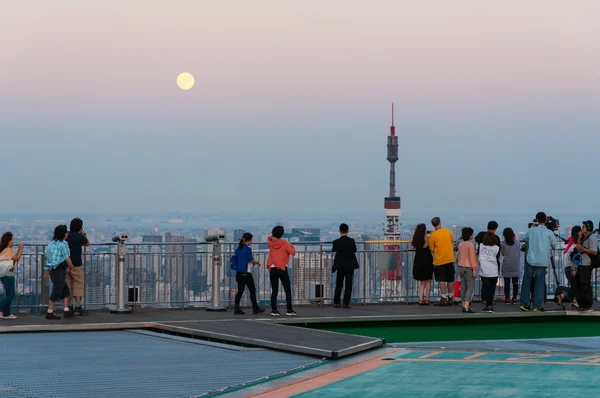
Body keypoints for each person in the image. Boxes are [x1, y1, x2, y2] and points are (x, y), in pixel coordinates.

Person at [519, 212, 557, 312]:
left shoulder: (531, 230)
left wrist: (532, 227)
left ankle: (524, 304)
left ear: (536, 219)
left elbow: (522, 238)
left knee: (526, 282)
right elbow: (554, 245)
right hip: (543, 261)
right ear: (545, 220)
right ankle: (537, 306)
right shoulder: (549, 232)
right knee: (539, 284)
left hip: (531, 260)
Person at [44, 225, 75, 320]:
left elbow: (47, 258)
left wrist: (47, 270)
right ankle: (49, 312)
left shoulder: (51, 244)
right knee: (57, 289)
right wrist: (72, 267)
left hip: (53, 270)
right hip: (59, 269)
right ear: (65, 234)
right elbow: (67, 258)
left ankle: (66, 310)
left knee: (65, 290)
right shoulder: (63, 244)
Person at [267, 226, 297, 316]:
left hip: (273, 268)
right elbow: (293, 252)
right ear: (282, 234)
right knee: (287, 290)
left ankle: (274, 310)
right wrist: (291, 245)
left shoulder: (270, 243)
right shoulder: (285, 244)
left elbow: (268, 238)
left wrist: (272, 236)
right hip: (283, 269)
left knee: (274, 291)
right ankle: (289, 309)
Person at [232, 232, 264, 315]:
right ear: (248, 240)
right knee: (252, 290)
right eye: (251, 240)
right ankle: (255, 308)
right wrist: (256, 262)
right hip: (246, 273)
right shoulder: (248, 249)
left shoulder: (237, 249)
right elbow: (250, 259)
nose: (252, 242)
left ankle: (236, 308)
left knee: (240, 291)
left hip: (239, 273)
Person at [428, 217, 456, 306]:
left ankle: (443, 298)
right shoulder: (448, 232)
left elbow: (431, 248)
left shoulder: (433, 235)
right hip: (450, 258)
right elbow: (452, 243)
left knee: (441, 280)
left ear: (433, 224)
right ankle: (451, 297)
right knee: (450, 279)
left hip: (439, 260)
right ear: (440, 223)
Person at [66, 218, 90, 316]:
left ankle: (67, 307)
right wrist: (83, 232)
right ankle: (77, 307)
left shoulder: (66, 235)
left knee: (67, 286)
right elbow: (87, 243)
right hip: (76, 264)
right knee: (78, 285)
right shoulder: (79, 236)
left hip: (65, 264)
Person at [332, 223, 359, 308]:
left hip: (340, 266)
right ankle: (346, 303)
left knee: (339, 284)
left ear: (339, 231)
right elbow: (354, 250)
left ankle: (336, 302)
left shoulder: (336, 242)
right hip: (349, 265)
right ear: (348, 231)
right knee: (348, 285)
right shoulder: (351, 241)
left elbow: (334, 249)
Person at [573, 220, 598, 312]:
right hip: (581, 263)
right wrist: (579, 237)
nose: (582, 228)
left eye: (583, 227)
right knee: (579, 284)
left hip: (587, 263)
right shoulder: (585, 237)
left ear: (588, 228)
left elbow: (594, 251)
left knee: (585, 284)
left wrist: (582, 249)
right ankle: (581, 303)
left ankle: (587, 304)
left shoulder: (592, 238)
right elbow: (578, 246)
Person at [475, 221, 501, 305]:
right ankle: (490, 299)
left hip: (483, 262)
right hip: (493, 263)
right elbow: (499, 251)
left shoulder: (480, 236)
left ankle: (484, 298)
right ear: (495, 229)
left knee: (485, 283)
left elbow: (476, 240)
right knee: (492, 284)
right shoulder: (496, 238)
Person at [0, 232, 24, 319]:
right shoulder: (8, 250)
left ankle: (6, 313)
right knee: (11, 295)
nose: (13, 242)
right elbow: (16, 258)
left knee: (8, 294)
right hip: (7, 274)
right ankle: (1, 309)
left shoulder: (4, 250)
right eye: (12, 240)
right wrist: (20, 249)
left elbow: (14, 259)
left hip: (4, 274)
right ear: (8, 241)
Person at [412, 224, 434, 305]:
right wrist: (428, 232)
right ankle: (427, 299)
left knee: (422, 283)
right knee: (428, 281)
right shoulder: (428, 237)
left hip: (418, 260)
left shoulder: (416, 238)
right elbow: (433, 233)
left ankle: (420, 299)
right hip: (427, 260)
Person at [457, 227, 478, 313]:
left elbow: (459, 256)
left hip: (460, 267)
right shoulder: (470, 245)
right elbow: (472, 258)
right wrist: (474, 269)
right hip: (468, 267)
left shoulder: (460, 244)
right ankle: (466, 306)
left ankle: (463, 305)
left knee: (463, 287)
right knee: (470, 287)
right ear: (470, 235)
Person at [479, 232, 500, 313]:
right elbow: (497, 258)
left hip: (484, 271)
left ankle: (488, 306)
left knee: (487, 289)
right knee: (492, 290)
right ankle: (490, 306)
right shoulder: (497, 248)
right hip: (494, 271)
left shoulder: (481, 246)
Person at [563, 226, 581, 310]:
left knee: (574, 286)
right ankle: (564, 297)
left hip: (567, 268)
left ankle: (572, 300)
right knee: (576, 286)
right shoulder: (574, 246)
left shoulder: (571, 243)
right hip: (571, 268)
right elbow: (575, 256)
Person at [501, 228, 520, 304]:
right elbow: (519, 254)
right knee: (515, 283)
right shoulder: (518, 243)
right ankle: (515, 297)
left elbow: (503, 254)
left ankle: (507, 298)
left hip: (506, 264)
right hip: (515, 264)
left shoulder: (503, 244)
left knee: (507, 283)